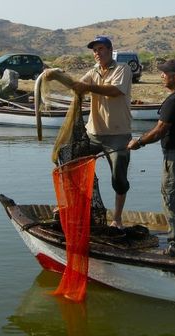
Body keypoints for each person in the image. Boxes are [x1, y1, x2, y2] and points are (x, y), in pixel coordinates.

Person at [127, 59, 175, 257]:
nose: (161, 75)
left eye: (165, 73)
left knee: (174, 201)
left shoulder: (174, 100)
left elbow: (160, 130)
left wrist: (139, 141)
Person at [70, 36, 133, 229]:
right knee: (72, 165)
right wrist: (55, 75)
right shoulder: (93, 72)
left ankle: (117, 218)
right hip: (93, 133)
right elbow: (77, 86)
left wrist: (87, 87)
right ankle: (73, 207)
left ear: (110, 50)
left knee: (118, 178)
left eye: (100, 49)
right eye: (94, 50)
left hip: (118, 135)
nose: (97, 53)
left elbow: (114, 90)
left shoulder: (123, 69)